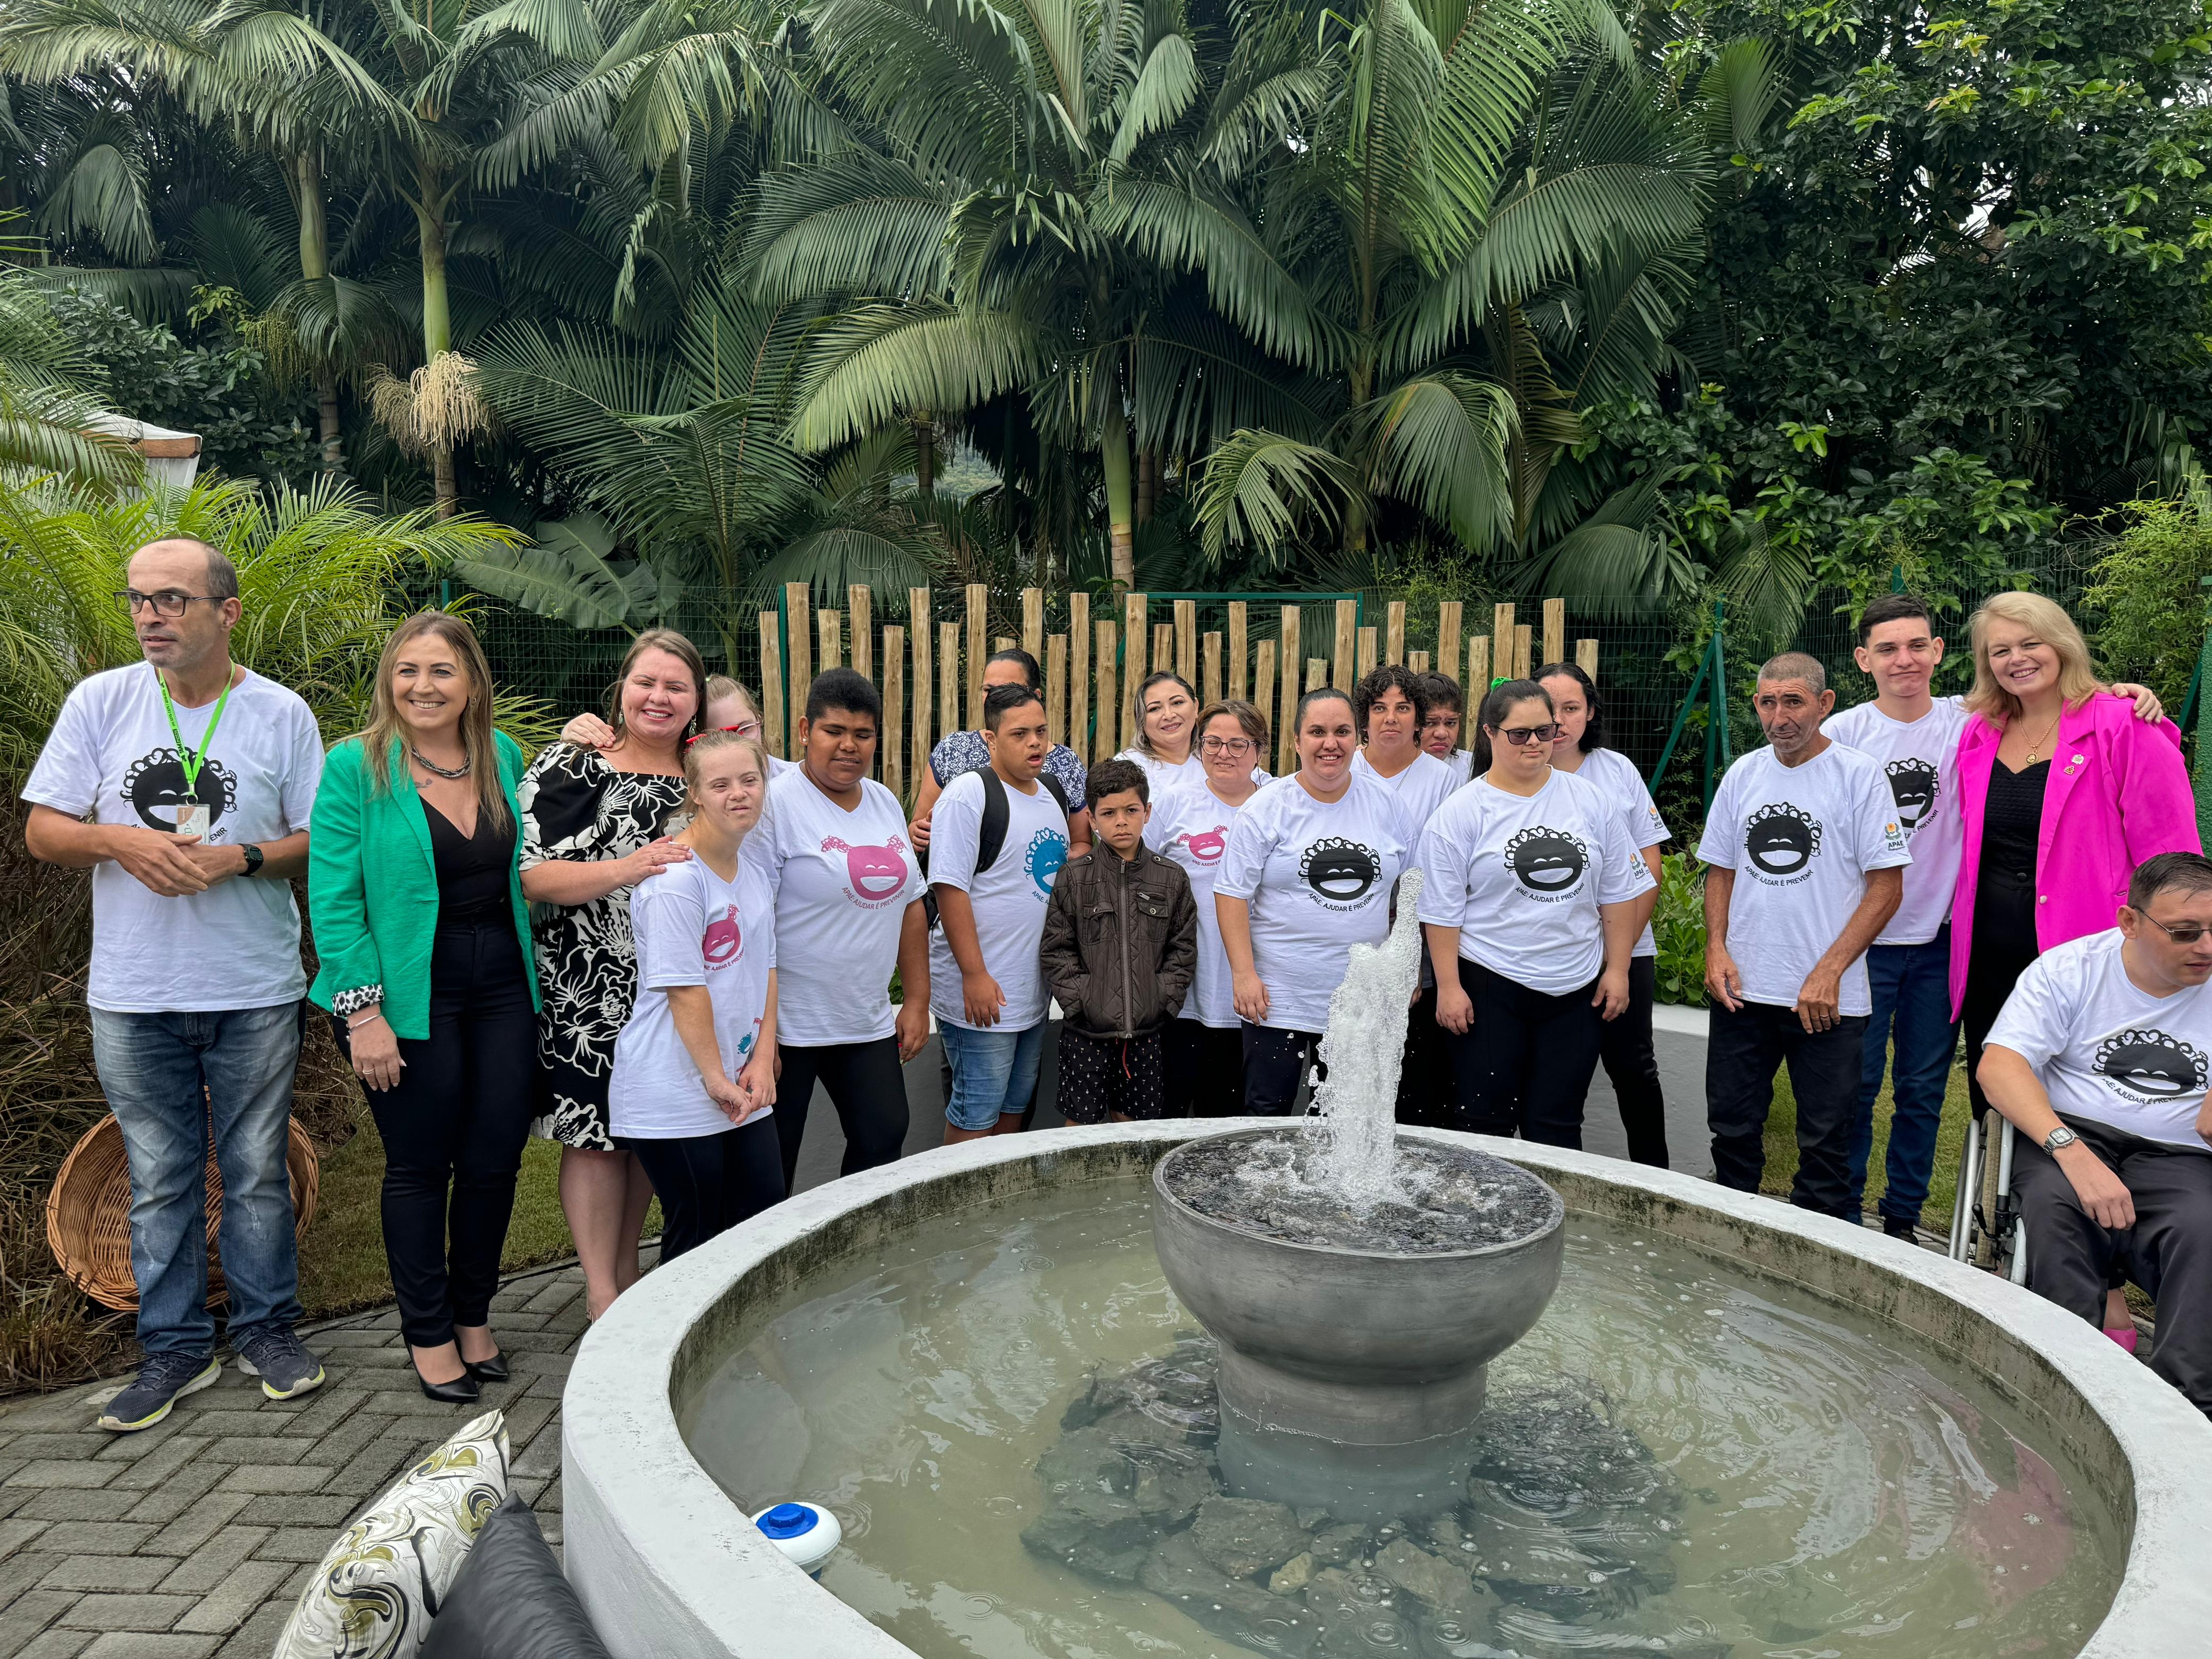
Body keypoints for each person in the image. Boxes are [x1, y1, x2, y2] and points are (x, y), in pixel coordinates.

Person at [26, 537, 327, 1430]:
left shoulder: (280, 715)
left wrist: (239, 857)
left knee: (255, 1172)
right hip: (133, 990)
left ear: (226, 613)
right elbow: (45, 829)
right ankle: (174, 1351)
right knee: (159, 1177)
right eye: (138, 600)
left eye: (171, 599)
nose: (149, 615)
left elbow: (315, 839)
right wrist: (122, 839)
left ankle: (269, 1331)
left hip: (253, 984)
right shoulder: (102, 703)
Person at [308, 612, 538, 1403]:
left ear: (471, 680)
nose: (422, 686)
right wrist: (363, 1013)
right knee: (418, 1166)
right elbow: (334, 902)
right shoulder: (356, 767)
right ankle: (429, 1332)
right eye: (407, 670)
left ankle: (474, 1316)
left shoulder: (501, 755)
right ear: (389, 681)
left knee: (494, 1160)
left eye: (441, 671)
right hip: (406, 994)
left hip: (505, 988)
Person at [1951, 591, 2198, 1132]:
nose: (2015, 658)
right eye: (1999, 650)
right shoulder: (1978, 732)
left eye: (2029, 643)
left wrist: (2175, 944)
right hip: (1991, 953)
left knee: (2084, 1101)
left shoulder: (2124, 724)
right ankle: (2000, 1210)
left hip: (2090, 953)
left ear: (2060, 644)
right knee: (1997, 1094)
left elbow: (2173, 860)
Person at [1979, 851, 2212, 1418]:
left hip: (2179, 1150)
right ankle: (2064, 1388)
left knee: (2201, 1227)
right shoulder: (2071, 970)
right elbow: (1999, 1067)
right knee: (2054, 1212)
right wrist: (2072, 1154)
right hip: (2069, 1131)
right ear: (2129, 922)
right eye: (2184, 933)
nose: (2205, 947)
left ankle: (2187, 1405)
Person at [518, 628, 705, 1318]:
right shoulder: (573, 766)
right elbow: (533, 875)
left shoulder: (705, 776)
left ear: (696, 701)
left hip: (675, 992)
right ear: (620, 690)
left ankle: (627, 1280)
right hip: (588, 991)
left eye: (675, 686)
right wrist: (630, 868)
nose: (658, 697)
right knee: (595, 1140)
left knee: (644, 1134)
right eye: (646, 683)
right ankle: (602, 1294)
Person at [1698, 653, 1911, 1218]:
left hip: (1827, 1000)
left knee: (1825, 1143)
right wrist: (1715, 947)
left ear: (1823, 704)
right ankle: (1729, 1244)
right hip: (1742, 992)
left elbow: (1886, 888)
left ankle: (1812, 1271)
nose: (1778, 716)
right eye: (1766, 702)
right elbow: (1719, 869)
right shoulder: (1743, 773)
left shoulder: (1858, 775)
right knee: (1731, 1128)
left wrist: (1827, 970)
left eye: (1791, 701)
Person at [1418, 681, 1653, 1146]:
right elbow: (1442, 910)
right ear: (1489, 733)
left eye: (1543, 733)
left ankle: (1553, 1218)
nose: (1533, 744)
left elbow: (1619, 892)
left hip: (1575, 988)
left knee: (1559, 1125)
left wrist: (1619, 969)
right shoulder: (1461, 813)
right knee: (1484, 1124)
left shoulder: (1591, 801)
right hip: (1490, 985)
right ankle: (1486, 1221)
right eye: (1519, 734)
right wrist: (1448, 987)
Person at [608, 731, 784, 1261]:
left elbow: (767, 967)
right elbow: (684, 988)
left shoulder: (751, 869)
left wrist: (763, 1055)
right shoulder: (675, 881)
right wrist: (714, 1078)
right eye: (721, 784)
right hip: (677, 1089)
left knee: (763, 1219)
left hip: (739, 1084)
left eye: (749, 780)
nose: (739, 794)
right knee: (698, 1242)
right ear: (695, 794)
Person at [755, 668, 929, 1187]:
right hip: (787, 1025)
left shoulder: (879, 800)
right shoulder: (775, 805)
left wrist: (916, 1001)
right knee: (772, 1160)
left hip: (863, 1017)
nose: (849, 746)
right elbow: (752, 916)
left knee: (882, 1136)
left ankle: (855, 1255)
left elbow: (911, 904)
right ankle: (768, 1262)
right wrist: (758, 1032)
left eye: (863, 734)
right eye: (835, 731)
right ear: (806, 730)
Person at [1216, 688, 1416, 1114]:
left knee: (1344, 1122)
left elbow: (1414, 890)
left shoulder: (1388, 806)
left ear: (1358, 738)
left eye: (1342, 732)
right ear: (1296, 741)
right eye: (1317, 732)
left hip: (1360, 999)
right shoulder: (1266, 809)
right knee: (1266, 1115)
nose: (1331, 743)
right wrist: (1244, 975)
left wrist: (1408, 967)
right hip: (1278, 996)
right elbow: (1232, 893)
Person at [1536, 663, 1671, 1167]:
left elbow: (1650, 859)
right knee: (1557, 1076)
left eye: (1572, 708)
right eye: (1550, 709)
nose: (1560, 721)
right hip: (1551, 956)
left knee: (1634, 1069)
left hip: (1626, 952)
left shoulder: (1616, 771)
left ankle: (1657, 1183)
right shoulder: (1516, 771)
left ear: (1590, 712)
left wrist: (1620, 947)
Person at [928, 682, 1071, 1141]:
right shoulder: (969, 795)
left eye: (1042, 732)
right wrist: (974, 974)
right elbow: (950, 888)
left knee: (1014, 1109)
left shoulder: (1051, 794)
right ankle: (956, 1211)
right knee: (975, 1114)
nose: (1035, 743)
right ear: (990, 740)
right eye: (1019, 734)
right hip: (982, 996)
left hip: (1031, 994)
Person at [1040, 759, 1199, 1123]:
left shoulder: (1171, 878)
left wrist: (1160, 1001)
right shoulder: (1073, 879)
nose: (1121, 821)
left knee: (1134, 1134)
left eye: (1131, 810)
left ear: (1147, 811)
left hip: (1146, 1035)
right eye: (1108, 813)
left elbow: (1183, 950)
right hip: (1085, 1034)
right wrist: (1083, 1002)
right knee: (1079, 1133)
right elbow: (1056, 950)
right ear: (1093, 821)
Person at [1146, 701, 1271, 1116]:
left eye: (1238, 744)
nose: (1223, 754)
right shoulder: (1173, 803)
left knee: (1228, 1122)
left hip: (1260, 994)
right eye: (1213, 742)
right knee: (1171, 1114)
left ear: (1261, 749)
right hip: (1185, 992)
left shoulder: (1279, 801)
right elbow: (1138, 876)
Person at [910, 648, 1091, 856]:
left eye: (1008, 689)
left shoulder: (1065, 763)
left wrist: (1050, 867)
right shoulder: (954, 749)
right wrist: (917, 833)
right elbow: (919, 824)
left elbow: (1081, 843)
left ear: (1036, 696)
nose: (994, 697)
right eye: (988, 689)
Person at [560, 674, 792, 774]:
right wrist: (572, 735)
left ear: (759, 719)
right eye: (719, 736)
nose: (738, 745)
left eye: (745, 729)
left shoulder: (796, 781)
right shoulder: (683, 785)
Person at [1116, 671, 1204, 798]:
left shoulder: (1218, 756)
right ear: (1141, 720)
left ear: (1195, 707)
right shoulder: (1126, 768)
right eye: (1154, 709)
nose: (1169, 715)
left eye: (1177, 703)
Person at [1418, 671, 1473, 775]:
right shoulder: (1388, 771)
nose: (1442, 734)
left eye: (1451, 723)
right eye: (1430, 723)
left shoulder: (1473, 768)